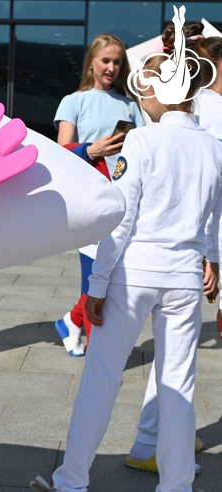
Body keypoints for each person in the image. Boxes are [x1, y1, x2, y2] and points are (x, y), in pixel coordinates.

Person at [30, 17, 222, 491]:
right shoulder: (213, 148)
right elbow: (215, 217)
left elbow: (122, 216)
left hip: (134, 274)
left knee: (102, 380)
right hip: (184, 278)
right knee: (178, 386)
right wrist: (213, 262)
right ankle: (177, 485)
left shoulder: (141, 138)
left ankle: (72, 480)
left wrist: (96, 285)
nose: (142, 95)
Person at [125, 20, 222, 474]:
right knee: (178, 367)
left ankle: (153, 444)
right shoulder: (208, 113)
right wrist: (213, 255)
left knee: (175, 363)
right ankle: (157, 450)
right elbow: (208, 197)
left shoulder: (189, 111)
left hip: (170, 258)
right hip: (183, 257)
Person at [53, 33, 145, 357]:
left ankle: (72, 321)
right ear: (91, 62)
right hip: (90, 198)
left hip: (125, 198)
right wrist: (92, 150)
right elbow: (61, 153)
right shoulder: (73, 101)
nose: (111, 67)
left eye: (117, 62)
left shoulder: (131, 105)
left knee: (111, 275)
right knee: (95, 275)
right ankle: (97, 355)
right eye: (105, 60)